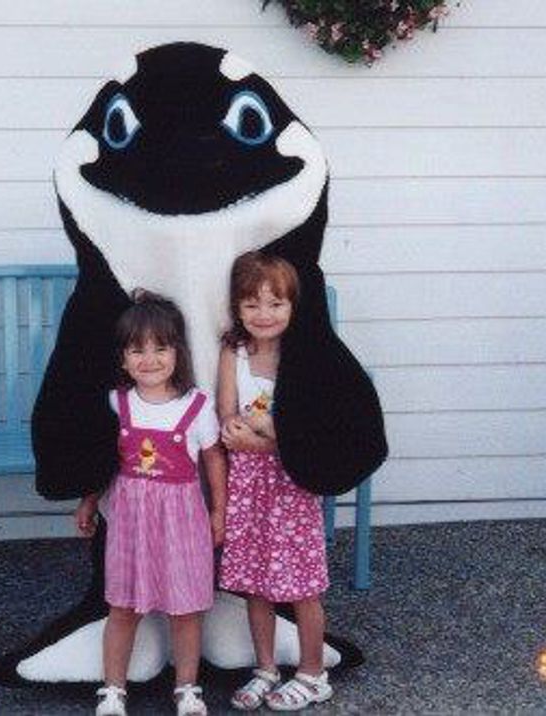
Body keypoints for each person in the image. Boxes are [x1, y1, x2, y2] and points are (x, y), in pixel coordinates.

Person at [75, 290, 227, 716]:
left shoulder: (198, 407)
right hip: (129, 526)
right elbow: (101, 461)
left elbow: (214, 459)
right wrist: (88, 501)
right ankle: (112, 689)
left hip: (183, 525)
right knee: (122, 607)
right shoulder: (116, 403)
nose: (150, 359)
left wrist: (219, 511)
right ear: (123, 359)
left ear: (178, 353)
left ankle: (187, 688)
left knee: (185, 610)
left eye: (160, 348)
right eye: (137, 350)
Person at [217, 252, 332, 712]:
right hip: (248, 485)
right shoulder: (235, 352)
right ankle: (265, 667)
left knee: (303, 584)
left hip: (293, 482)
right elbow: (228, 415)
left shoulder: (303, 354)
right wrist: (242, 430)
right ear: (237, 308)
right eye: (252, 305)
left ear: (292, 306)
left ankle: (313, 673)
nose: (264, 314)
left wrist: (266, 439)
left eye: (275, 304)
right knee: (255, 580)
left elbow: (309, 427)